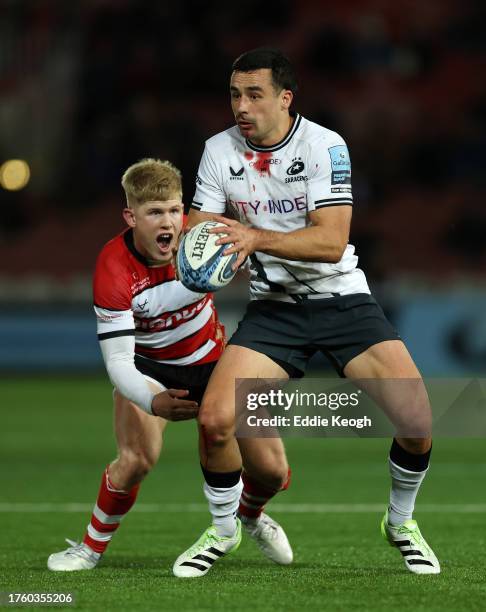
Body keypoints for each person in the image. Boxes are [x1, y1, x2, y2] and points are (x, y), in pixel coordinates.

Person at [178, 47, 440, 575]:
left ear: (285, 98)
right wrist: (198, 252)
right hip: (274, 309)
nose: (242, 106)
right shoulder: (217, 151)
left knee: (417, 422)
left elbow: (331, 241)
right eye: (235, 94)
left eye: (254, 94)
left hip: (343, 298)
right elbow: (199, 228)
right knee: (215, 420)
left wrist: (253, 236)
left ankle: (400, 521)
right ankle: (224, 531)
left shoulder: (324, 146)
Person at [47, 158, 292, 573]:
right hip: (150, 370)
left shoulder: (206, 238)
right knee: (135, 461)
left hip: (216, 363)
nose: (169, 222)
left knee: (272, 471)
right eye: (154, 212)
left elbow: (269, 264)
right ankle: (88, 549)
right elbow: (120, 360)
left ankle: (247, 514)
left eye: (175, 210)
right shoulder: (113, 267)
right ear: (131, 216)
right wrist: (152, 399)